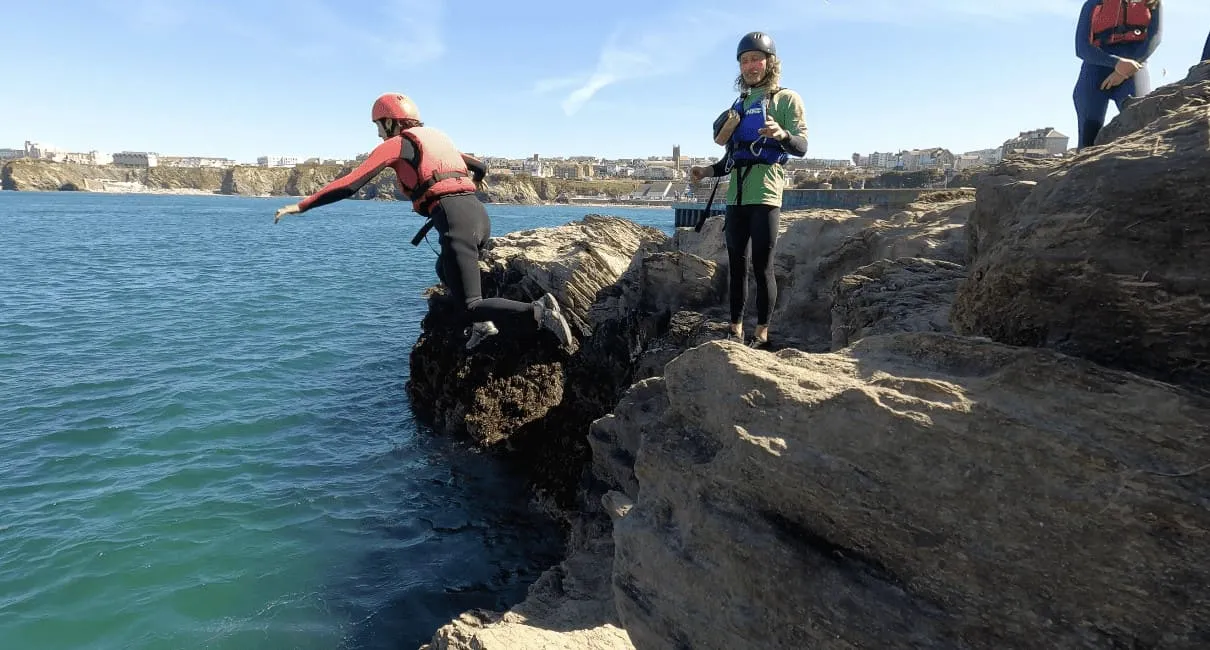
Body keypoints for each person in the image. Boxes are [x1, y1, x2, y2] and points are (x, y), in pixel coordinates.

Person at [273, 92, 575, 351]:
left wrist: (303, 205)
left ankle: (538, 312)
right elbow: (479, 166)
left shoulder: (399, 144)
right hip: (477, 215)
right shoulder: (436, 139)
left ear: (392, 122)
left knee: (469, 303)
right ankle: (484, 327)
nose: (379, 133)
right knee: (443, 268)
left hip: (455, 220)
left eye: (380, 125)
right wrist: (477, 181)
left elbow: (351, 184)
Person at [689, 32, 807, 349]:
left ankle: (763, 332)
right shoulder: (739, 103)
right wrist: (705, 171)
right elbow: (729, 160)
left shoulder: (786, 99)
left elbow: (801, 147)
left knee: (762, 266)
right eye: (745, 60)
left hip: (766, 193)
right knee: (736, 265)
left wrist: (781, 134)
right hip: (736, 196)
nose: (751, 65)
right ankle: (735, 328)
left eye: (756, 59)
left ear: (769, 62)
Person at [1073, 0, 1163, 149]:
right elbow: (1081, 48)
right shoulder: (1093, 4)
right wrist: (1117, 64)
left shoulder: (1152, 3)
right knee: (1089, 128)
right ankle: (1085, 166)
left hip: (1134, 65)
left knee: (1138, 118)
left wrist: (1126, 69)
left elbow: (1155, 38)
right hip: (1097, 65)